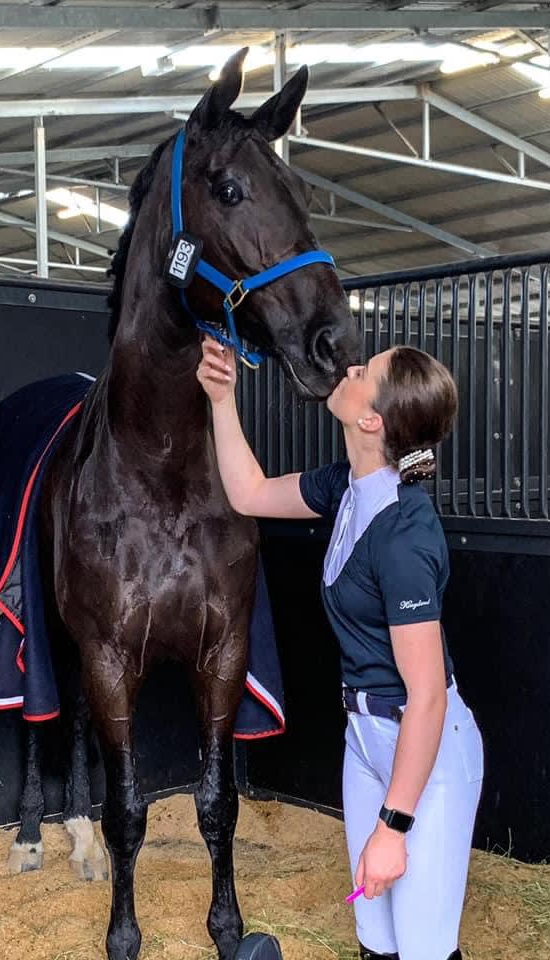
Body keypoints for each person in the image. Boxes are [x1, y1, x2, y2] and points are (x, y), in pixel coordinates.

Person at [197, 336, 483, 960]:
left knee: (424, 949)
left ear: (371, 420)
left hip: (426, 755)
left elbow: (428, 697)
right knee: (375, 939)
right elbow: (249, 493)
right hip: (365, 740)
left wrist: (394, 827)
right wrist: (222, 400)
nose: (350, 368)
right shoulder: (346, 487)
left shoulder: (405, 536)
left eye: (363, 372)